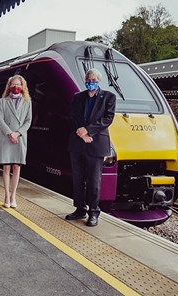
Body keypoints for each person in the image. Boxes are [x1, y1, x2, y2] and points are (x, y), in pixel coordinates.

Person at [65, 68, 116, 227]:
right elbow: (72, 116)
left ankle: (93, 212)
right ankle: (80, 208)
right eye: (88, 80)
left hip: (96, 144)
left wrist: (88, 131)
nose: (91, 83)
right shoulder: (78, 97)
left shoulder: (109, 97)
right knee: (78, 179)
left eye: (94, 80)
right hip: (77, 143)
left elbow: (108, 118)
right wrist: (81, 133)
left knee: (94, 181)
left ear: (98, 81)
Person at [0, 75, 32, 209]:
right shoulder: (3, 101)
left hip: (20, 138)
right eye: (13, 85)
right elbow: (0, 120)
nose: (16, 87)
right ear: (9, 86)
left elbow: (28, 121)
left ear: (23, 87)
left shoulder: (27, 102)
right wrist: (10, 133)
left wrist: (17, 133)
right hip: (6, 137)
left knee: (17, 168)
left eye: (18, 85)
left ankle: (13, 196)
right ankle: (6, 195)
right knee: (6, 167)